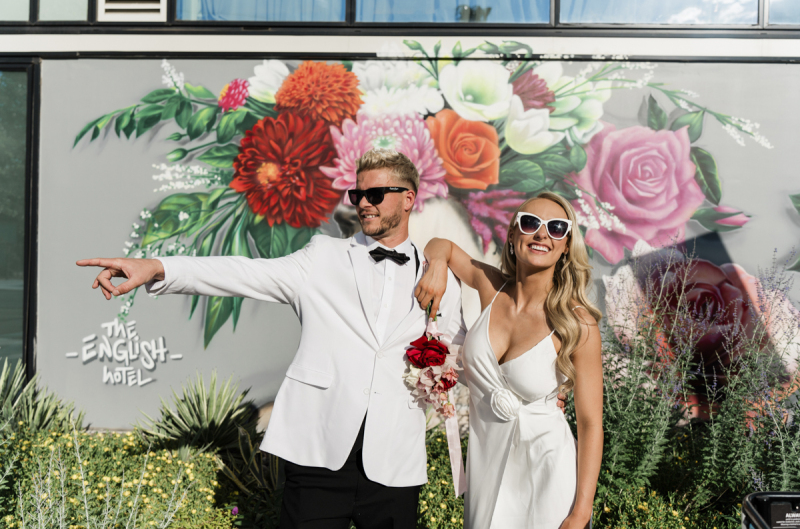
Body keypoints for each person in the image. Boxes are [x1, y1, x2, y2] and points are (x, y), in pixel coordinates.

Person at [77, 149, 470, 529]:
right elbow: (244, 273)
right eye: (357, 194)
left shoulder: (438, 277)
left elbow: (461, 351)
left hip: (394, 460)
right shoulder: (323, 257)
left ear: (408, 198)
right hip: (318, 452)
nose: (363, 204)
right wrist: (158, 267)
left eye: (375, 195)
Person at [415, 192, 603, 529]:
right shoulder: (492, 288)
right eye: (530, 223)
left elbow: (590, 424)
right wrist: (438, 267)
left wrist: (581, 512)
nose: (542, 234)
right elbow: (439, 244)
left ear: (565, 246)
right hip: (487, 468)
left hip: (548, 475)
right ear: (513, 237)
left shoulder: (577, 323)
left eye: (557, 228)